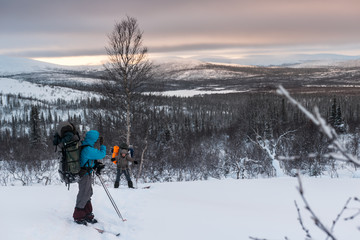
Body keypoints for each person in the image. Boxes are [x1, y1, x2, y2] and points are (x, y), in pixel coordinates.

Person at [73, 130, 106, 225]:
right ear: (93, 139)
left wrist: (96, 164)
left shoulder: (86, 146)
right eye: (96, 139)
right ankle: (78, 216)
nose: (96, 141)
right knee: (84, 193)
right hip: (84, 175)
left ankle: (87, 214)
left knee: (88, 193)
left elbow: (89, 159)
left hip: (86, 173)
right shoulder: (88, 149)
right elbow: (101, 154)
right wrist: (102, 145)